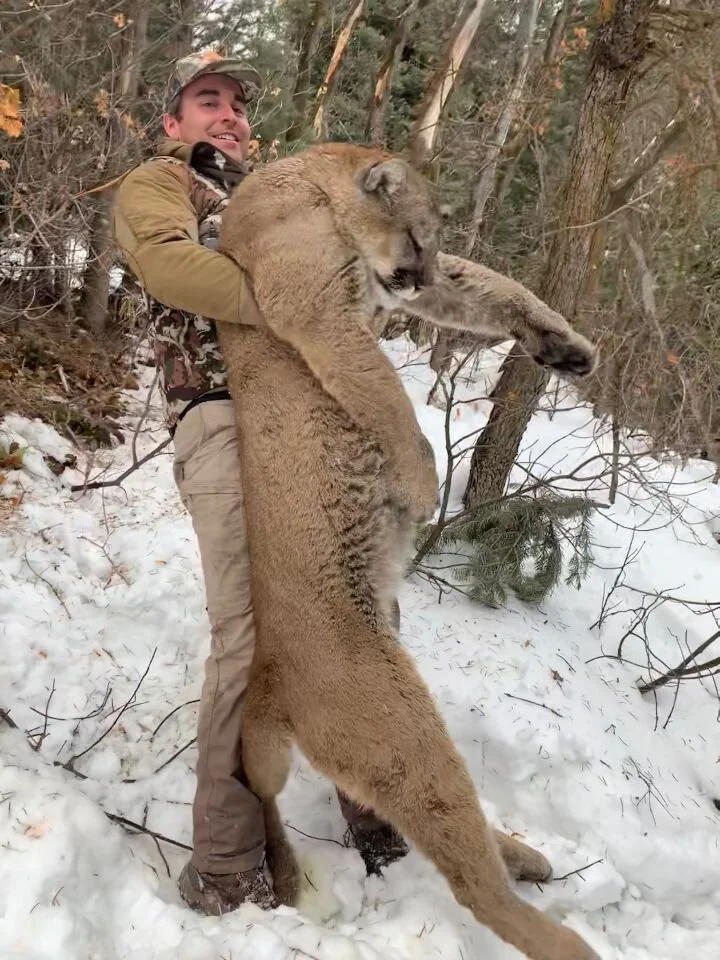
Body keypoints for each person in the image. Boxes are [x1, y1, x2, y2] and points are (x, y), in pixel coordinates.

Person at [112, 52, 407, 917]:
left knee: (361, 616)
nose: (229, 115)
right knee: (251, 635)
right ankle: (227, 863)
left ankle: (379, 808)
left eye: (238, 104)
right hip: (222, 419)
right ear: (174, 122)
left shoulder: (274, 201)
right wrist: (291, 303)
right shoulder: (161, 183)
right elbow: (168, 269)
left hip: (313, 428)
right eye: (209, 101)